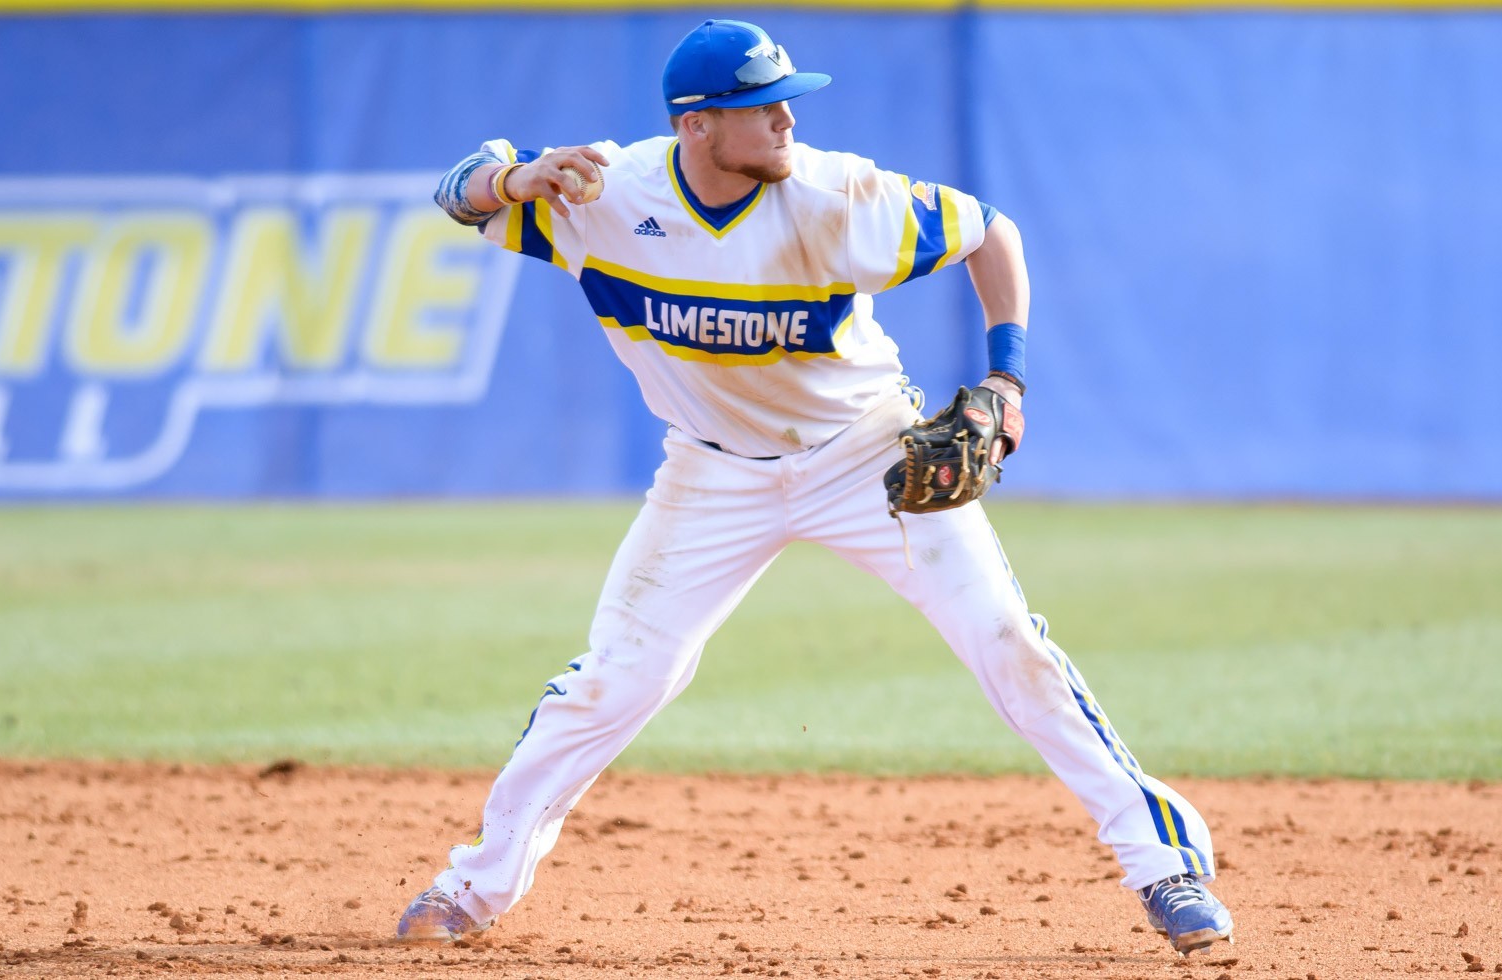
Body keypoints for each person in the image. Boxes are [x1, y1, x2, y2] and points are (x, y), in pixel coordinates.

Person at [396, 18, 1233, 957]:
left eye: (789, 100)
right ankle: (471, 887)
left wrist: (1006, 379)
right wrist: (511, 178)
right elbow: (457, 192)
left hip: (862, 455)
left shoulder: (839, 196)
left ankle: (1164, 865)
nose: (788, 119)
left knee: (1007, 642)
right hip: (711, 472)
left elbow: (989, 233)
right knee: (618, 679)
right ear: (699, 125)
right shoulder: (605, 196)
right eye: (761, 106)